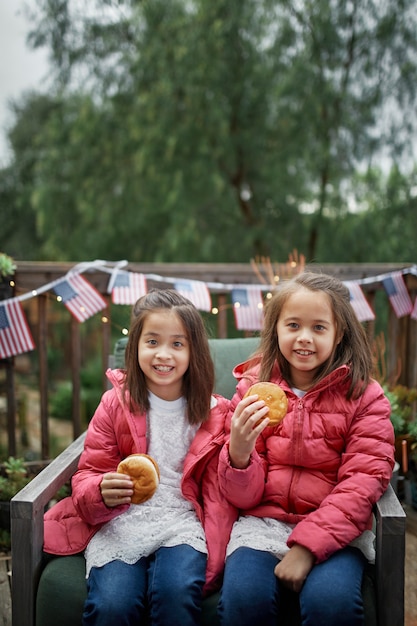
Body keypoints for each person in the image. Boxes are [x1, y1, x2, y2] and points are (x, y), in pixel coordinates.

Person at [43, 289, 236, 626]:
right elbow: (89, 472)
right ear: (135, 347)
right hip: (121, 521)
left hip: (183, 523)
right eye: (152, 342)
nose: (164, 354)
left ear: (194, 352)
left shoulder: (214, 412)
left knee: (176, 595)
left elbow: (222, 486)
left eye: (177, 344)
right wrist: (101, 491)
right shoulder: (115, 404)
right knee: (112, 605)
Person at [217, 272, 395, 626]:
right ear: (277, 329)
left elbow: (363, 480)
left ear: (338, 333)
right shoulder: (253, 391)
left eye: (318, 327)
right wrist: (238, 454)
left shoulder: (363, 396)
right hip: (262, 524)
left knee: (331, 603)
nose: (304, 338)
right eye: (293, 325)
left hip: (335, 532)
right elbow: (243, 498)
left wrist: (307, 548)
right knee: (243, 599)